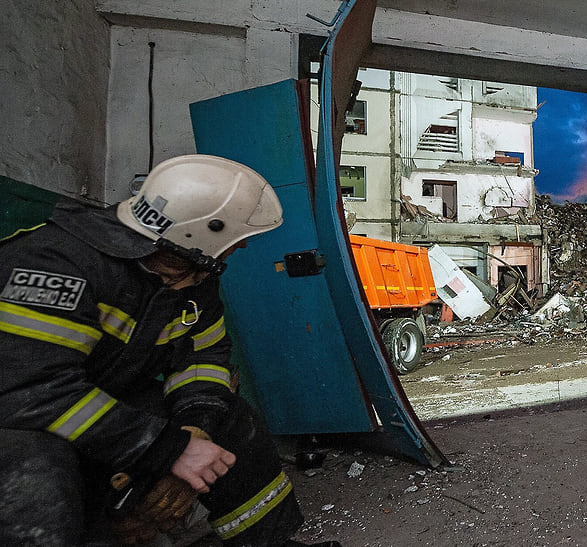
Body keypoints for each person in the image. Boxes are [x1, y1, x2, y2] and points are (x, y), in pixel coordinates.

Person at [0, 155, 338, 547]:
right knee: (35, 473)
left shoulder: (193, 275)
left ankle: (266, 541)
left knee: (233, 421)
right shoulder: (56, 263)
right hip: (19, 417)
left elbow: (203, 362)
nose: (242, 245)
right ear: (201, 232)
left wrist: (196, 431)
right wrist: (167, 450)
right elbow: (27, 389)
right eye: (237, 236)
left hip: (92, 399)